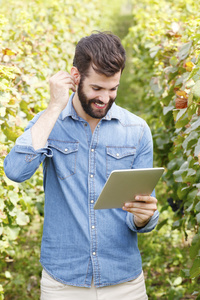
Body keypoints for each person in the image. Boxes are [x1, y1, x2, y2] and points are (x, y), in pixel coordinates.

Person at [4, 31, 159, 300]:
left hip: (123, 280)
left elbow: (143, 215)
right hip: (63, 281)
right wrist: (54, 107)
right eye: (96, 89)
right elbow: (16, 171)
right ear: (75, 78)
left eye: (113, 89)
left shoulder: (137, 130)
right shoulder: (49, 123)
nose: (105, 99)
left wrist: (145, 217)